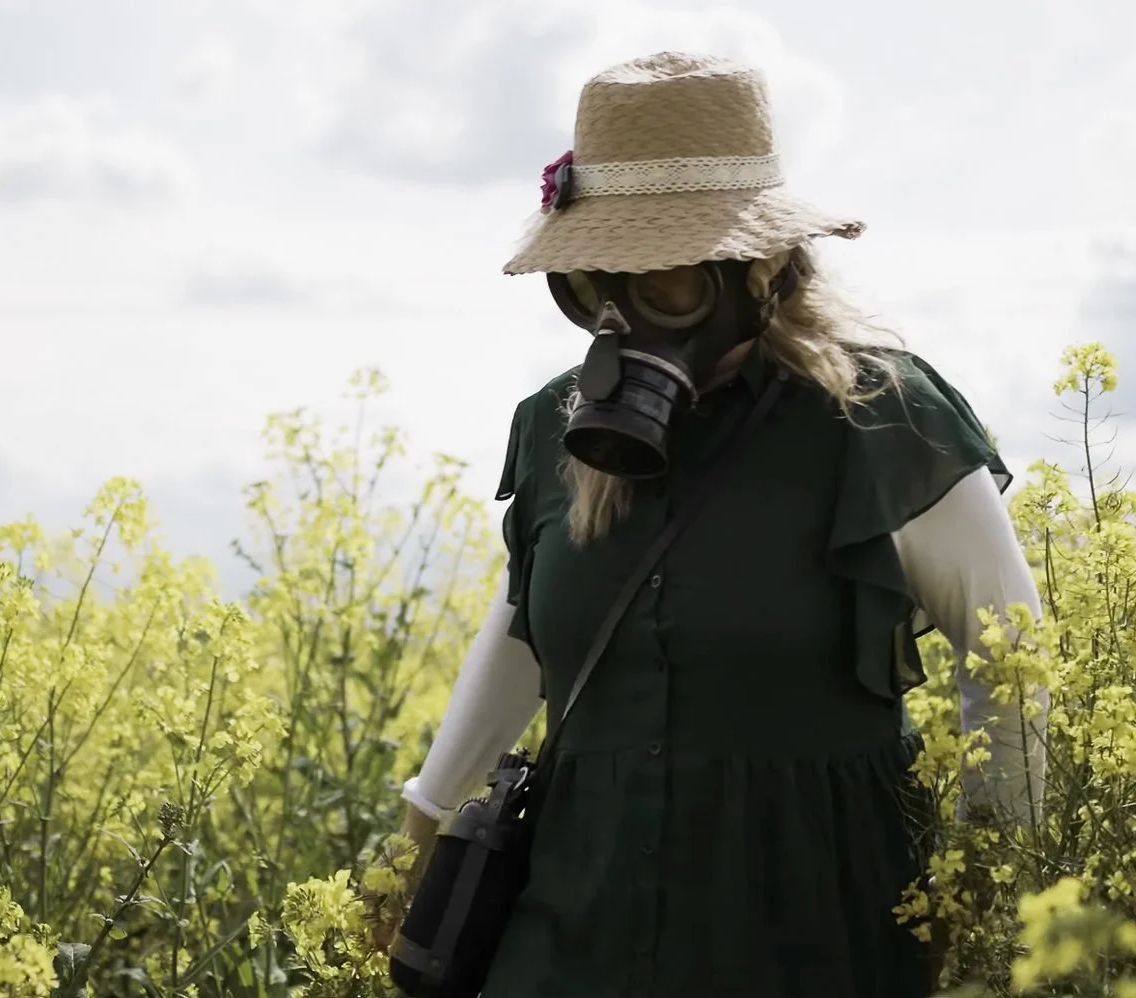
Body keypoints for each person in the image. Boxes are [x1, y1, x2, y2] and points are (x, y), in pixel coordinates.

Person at [374, 52, 1050, 997]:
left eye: (665, 281)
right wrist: (424, 822)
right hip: (574, 925)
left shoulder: (883, 419)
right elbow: (527, 627)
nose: (626, 314)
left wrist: (981, 890)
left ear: (762, 266)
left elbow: (1010, 657)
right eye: (602, 279)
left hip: (815, 927)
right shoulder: (552, 426)